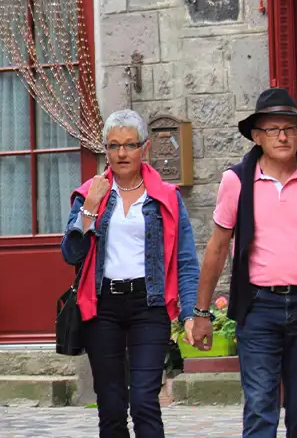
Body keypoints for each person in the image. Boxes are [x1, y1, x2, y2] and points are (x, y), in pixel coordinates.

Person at [190, 88, 297, 438]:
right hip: (259, 308)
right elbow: (216, 249)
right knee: (261, 411)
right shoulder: (237, 181)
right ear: (257, 136)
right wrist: (201, 313)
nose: (282, 136)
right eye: (273, 129)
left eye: (290, 128)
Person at [61, 109, 200, 438]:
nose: (122, 153)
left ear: (145, 148)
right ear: (105, 150)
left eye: (130, 145)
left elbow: (185, 260)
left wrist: (190, 312)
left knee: (143, 402)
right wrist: (89, 209)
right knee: (110, 406)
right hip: (102, 307)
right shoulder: (90, 193)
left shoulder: (165, 198)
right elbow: (71, 254)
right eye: (113, 146)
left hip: (149, 306)